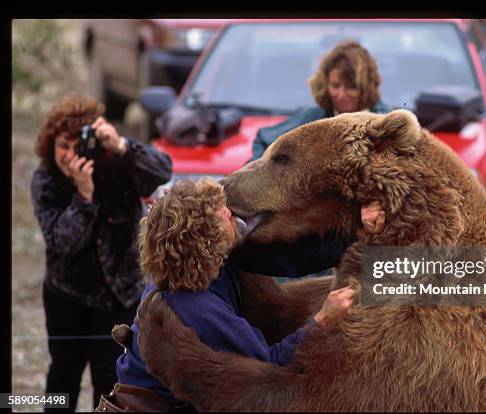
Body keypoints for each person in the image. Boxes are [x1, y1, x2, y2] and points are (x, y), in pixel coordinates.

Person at [96, 179, 384, 412]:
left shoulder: (201, 265)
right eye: (219, 213)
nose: (228, 211)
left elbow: (289, 257)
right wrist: (322, 320)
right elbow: (269, 364)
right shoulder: (197, 308)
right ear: (204, 237)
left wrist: (356, 228)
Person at [31, 93, 172, 412]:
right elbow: (62, 241)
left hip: (118, 295)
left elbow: (162, 171)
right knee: (62, 375)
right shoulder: (46, 180)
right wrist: (84, 197)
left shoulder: (116, 163)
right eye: (61, 148)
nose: (69, 156)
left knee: (110, 378)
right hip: (67, 293)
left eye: (75, 146)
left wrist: (122, 146)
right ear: (50, 147)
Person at [250, 40, 391, 161]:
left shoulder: (385, 124)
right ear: (325, 83)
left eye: (351, 87)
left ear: (366, 87)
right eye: (335, 86)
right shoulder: (313, 118)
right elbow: (264, 139)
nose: (341, 94)